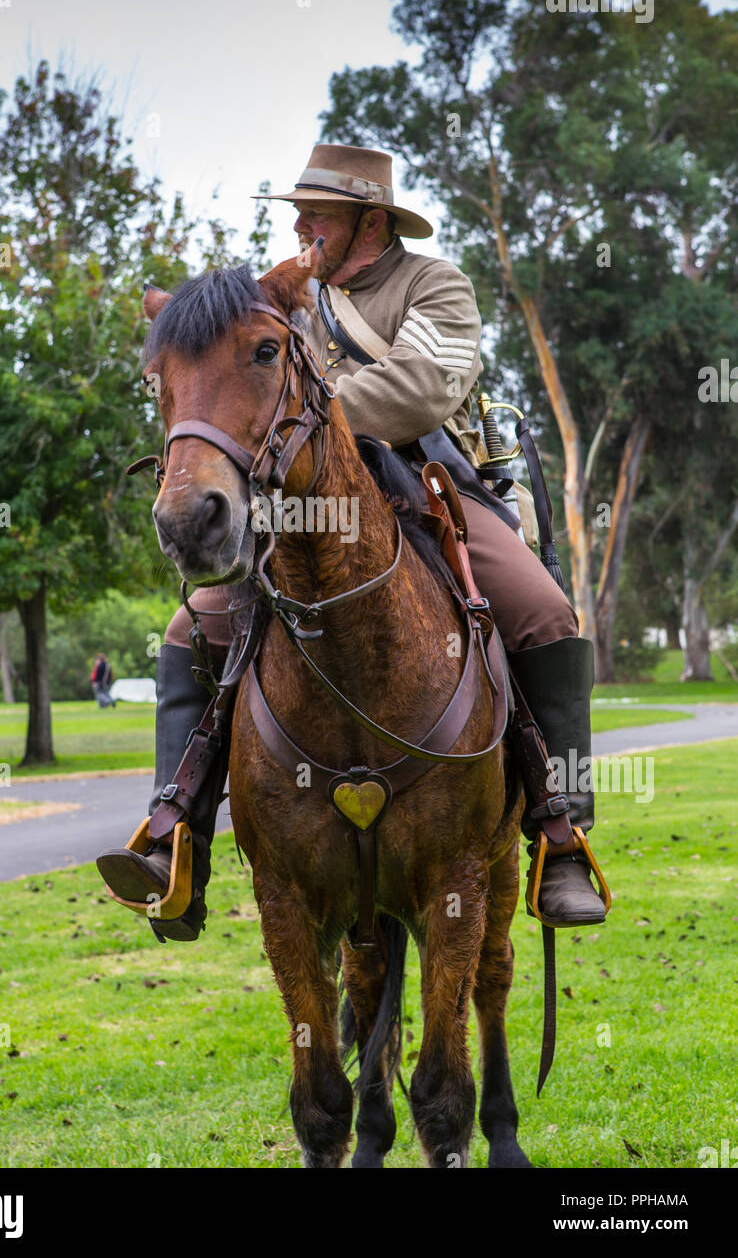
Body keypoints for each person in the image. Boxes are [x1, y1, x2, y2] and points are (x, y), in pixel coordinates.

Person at [97, 143, 608, 940]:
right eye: (298, 212)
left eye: (317, 213)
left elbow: (423, 386)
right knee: (188, 628)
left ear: (370, 220)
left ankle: (559, 830)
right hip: (300, 498)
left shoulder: (434, 284)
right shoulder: (286, 294)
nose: (300, 225)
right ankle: (176, 836)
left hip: (425, 484)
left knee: (543, 613)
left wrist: (310, 421)